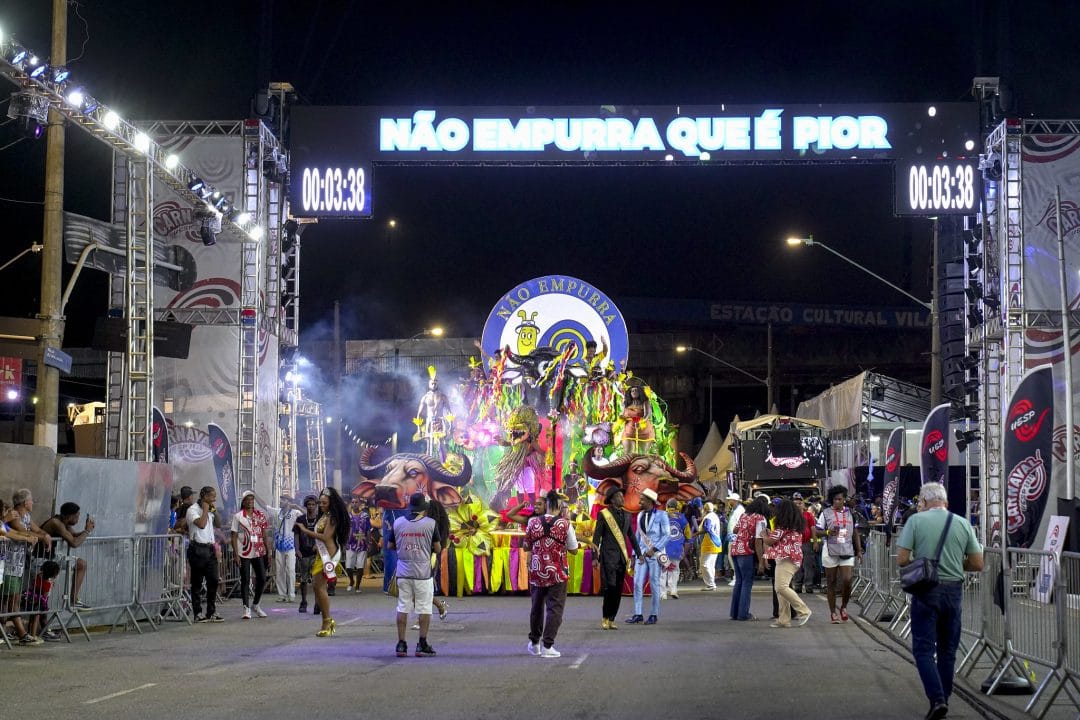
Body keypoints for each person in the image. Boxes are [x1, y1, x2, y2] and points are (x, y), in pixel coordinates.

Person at [897, 482, 983, 720]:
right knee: (948, 651)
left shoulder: (915, 521)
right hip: (954, 591)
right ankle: (943, 699)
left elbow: (902, 559)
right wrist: (955, 564)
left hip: (926, 591)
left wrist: (924, 564)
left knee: (924, 649)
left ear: (923, 502)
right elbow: (978, 564)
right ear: (945, 502)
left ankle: (937, 700)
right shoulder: (963, 523)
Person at [525, 489, 579, 658]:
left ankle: (535, 643)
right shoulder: (565, 524)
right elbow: (574, 549)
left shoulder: (533, 522)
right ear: (558, 506)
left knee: (536, 607)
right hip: (557, 572)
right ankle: (548, 645)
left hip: (537, 571)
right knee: (555, 608)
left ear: (547, 504)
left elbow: (526, 545)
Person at [388, 492, 442, 657]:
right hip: (423, 573)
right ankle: (422, 644)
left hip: (403, 572)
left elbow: (390, 545)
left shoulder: (397, 523)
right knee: (424, 608)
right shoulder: (431, 524)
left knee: (403, 606)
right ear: (423, 508)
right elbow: (438, 548)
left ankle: (401, 644)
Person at [294, 488, 349, 637]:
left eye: (324, 502)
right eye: (320, 502)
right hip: (321, 554)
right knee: (318, 587)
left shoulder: (332, 518)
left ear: (331, 503)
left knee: (320, 587)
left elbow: (325, 537)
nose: (321, 505)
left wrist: (305, 530)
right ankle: (326, 619)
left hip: (328, 556)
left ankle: (327, 620)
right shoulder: (325, 515)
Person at [591, 487, 642, 630]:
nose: (622, 498)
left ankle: (612, 618)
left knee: (618, 588)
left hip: (621, 558)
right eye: (620, 496)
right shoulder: (604, 515)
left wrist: (639, 554)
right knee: (610, 588)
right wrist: (595, 557)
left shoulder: (627, 515)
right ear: (612, 499)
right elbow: (597, 537)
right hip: (608, 557)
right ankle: (605, 617)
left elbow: (631, 537)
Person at [817, 484, 863, 623]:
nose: (838, 501)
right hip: (830, 550)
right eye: (835, 499)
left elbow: (855, 533)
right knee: (831, 582)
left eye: (840, 499)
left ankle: (843, 607)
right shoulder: (825, 513)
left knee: (847, 580)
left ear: (844, 499)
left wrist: (859, 550)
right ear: (832, 499)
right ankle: (832, 613)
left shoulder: (851, 513)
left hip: (847, 550)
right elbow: (817, 531)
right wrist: (827, 532)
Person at [763, 499, 812, 628]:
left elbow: (769, 541)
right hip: (792, 558)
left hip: (786, 559)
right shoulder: (795, 525)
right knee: (781, 589)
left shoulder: (782, 527)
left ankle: (803, 610)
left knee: (781, 587)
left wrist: (764, 534)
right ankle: (783, 619)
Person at [626, 487, 669, 625]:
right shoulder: (639, 515)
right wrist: (634, 555)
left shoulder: (662, 515)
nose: (640, 502)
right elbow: (638, 537)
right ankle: (638, 613)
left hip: (655, 554)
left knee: (654, 583)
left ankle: (653, 614)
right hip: (642, 554)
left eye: (642, 500)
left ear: (650, 501)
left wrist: (654, 548)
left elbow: (667, 535)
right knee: (637, 583)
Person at [39, 502, 95, 609]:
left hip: (52, 557)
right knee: (43, 596)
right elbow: (74, 543)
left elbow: (73, 535)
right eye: (77, 516)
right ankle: (42, 623)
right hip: (41, 559)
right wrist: (87, 531)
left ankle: (73, 599)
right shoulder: (56, 523)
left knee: (81, 564)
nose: (78, 519)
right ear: (69, 516)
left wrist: (86, 529)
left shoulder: (64, 522)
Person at [1, 498, 41, 645]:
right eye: (5, 510)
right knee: (9, 599)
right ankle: (21, 633)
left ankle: (5, 631)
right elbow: (10, 534)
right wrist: (6, 519)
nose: (9, 513)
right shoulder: (2, 523)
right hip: (7, 566)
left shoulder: (3, 525)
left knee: (8, 599)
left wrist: (29, 537)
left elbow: (14, 533)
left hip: (7, 566)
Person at [230, 491, 270, 620]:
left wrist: (268, 550)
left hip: (258, 550)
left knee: (262, 578)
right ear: (243, 501)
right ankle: (246, 608)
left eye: (252, 500)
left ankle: (256, 604)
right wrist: (236, 554)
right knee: (246, 579)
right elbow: (234, 535)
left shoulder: (260, 515)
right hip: (244, 551)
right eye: (248, 500)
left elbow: (264, 534)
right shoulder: (238, 516)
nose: (250, 502)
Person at [186, 486, 223, 623]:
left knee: (213, 580)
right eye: (212, 496)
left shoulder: (210, 510)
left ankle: (211, 611)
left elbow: (218, 524)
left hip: (210, 548)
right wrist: (206, 510)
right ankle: (197, 613)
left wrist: (214, 511)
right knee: (197, 583)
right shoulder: (192, 510)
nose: (214, 499)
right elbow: (201, 524)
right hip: (197, 549)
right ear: (204, 497)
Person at [729, 495, 769, 621]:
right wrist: (761, 561)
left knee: (739, 581)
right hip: (746, 551)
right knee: (747, 582)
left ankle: (734, 613)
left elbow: (735, 530)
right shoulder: (761, 518)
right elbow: (758, 541)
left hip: (735, 549)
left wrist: (745, 530)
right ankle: (743, 614)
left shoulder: (744, 515)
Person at [266, 495, 304, 603]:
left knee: (290, 570)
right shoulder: (277, 512)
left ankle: (291, 594)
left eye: (284, 500)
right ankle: (282, 594)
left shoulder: (295, 513)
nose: (281, 501)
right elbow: (265, 506)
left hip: (291, 546)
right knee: (280, 571)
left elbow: (307, 514)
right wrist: (254, 494)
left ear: (289, 502)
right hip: (279, 546)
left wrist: (296, 506)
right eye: (281, 499)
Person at [22, 559, 61, 640]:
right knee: (38, 618)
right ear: (53, 574)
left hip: (32, 598)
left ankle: (30, 633)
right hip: (40, 602)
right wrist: (50, 586)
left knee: (32, 618)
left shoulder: (39, 576)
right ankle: (34, 636)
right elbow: (45, 595)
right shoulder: (47, 583)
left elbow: (34, 583)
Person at [294, 495, 319, 613]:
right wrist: (297, 549)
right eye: (309, 504)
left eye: (313, 504)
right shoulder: (300, 519)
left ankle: (317, 603)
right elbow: (296, 535)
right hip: (303, 553)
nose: (311, 506)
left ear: (316, 505)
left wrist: (318, 546)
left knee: (316, 580)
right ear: (305, 505)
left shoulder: (320, 519)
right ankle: (303, 601)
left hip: (317, 553)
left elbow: (324, 535)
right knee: (303, 580)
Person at [661, 499, 690, 599]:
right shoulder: (682, 518)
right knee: (675, 569)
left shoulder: (662, 516)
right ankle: (673, 590)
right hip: (677, 548)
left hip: (663, 549)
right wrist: (685, 551)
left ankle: (663, 593)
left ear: (667, 506)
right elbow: (688, 536)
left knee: (663, 570)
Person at [791, 493, 819, 593]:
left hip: (806, 543)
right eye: (796, 504)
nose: (798, 505)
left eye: (799, 503)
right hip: (794, 544)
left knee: (808, 565)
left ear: (803, 504)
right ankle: (797, 585)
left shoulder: (808, 515)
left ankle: (809, 586)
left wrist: (815, 542)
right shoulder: (791, 516)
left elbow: (813, 529)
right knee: (796, 565)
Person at [345, 497, 371, 593]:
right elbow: (345, 530)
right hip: (350, 543)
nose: (355, 504)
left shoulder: (365, 516)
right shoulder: (348, 516)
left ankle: (357, 586)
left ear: (360, 504)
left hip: (362, 543)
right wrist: (344, 542)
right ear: (351, 504)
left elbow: (368, 530)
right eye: (353, 502)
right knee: (348, 567)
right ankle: (351, 581)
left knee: (360, 566)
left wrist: (368, 543)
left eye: (356, 502)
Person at [696, 501, 723, 591]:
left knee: (704, 564)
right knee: (711, 565)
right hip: (716, 543)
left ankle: (710, 584)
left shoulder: (708, 517)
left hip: (709, 543)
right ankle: (711, 584)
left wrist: (696, 534)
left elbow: (707, 529)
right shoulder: (714, 516)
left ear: (705, 509)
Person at [724, 492, 745, 586]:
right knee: (732, 557)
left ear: (734, 500)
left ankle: (737, 577)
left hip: (735, 537)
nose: (728, 501)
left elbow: (740, 524)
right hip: (732, 536)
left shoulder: (739, 510)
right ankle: (736, 576)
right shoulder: (734, 509)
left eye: (730, 499)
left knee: (733, 557)